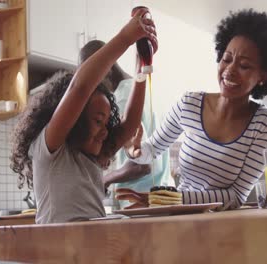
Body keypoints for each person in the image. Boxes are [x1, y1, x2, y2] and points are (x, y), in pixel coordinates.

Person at [123, 9, 267, 209]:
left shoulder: (264, 122)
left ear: (263, 76)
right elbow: (150, 151)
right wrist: (134, 150)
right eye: (227, 59)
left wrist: (172, 199)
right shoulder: (189, 104)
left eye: (244, 66)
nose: (229, 70)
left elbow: (237, 195)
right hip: (181, 220)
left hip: (224, 226)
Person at [10, 8, 158, 224]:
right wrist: (125, 38)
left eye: (106, 122)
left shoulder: (93, 158)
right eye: (98, 121)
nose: (105, 131)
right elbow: (80, 88)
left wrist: (142, 64)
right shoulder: (51, 150)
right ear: (75, 120)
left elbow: (130, 125)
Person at [78, 40, 173, 209]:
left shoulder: (123, 100)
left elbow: (141, 167)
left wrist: (104, 180)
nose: (94, 87)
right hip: (162, 198)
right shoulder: (144, 90)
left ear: (105, 68)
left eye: (93, 78)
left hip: (141, 204)